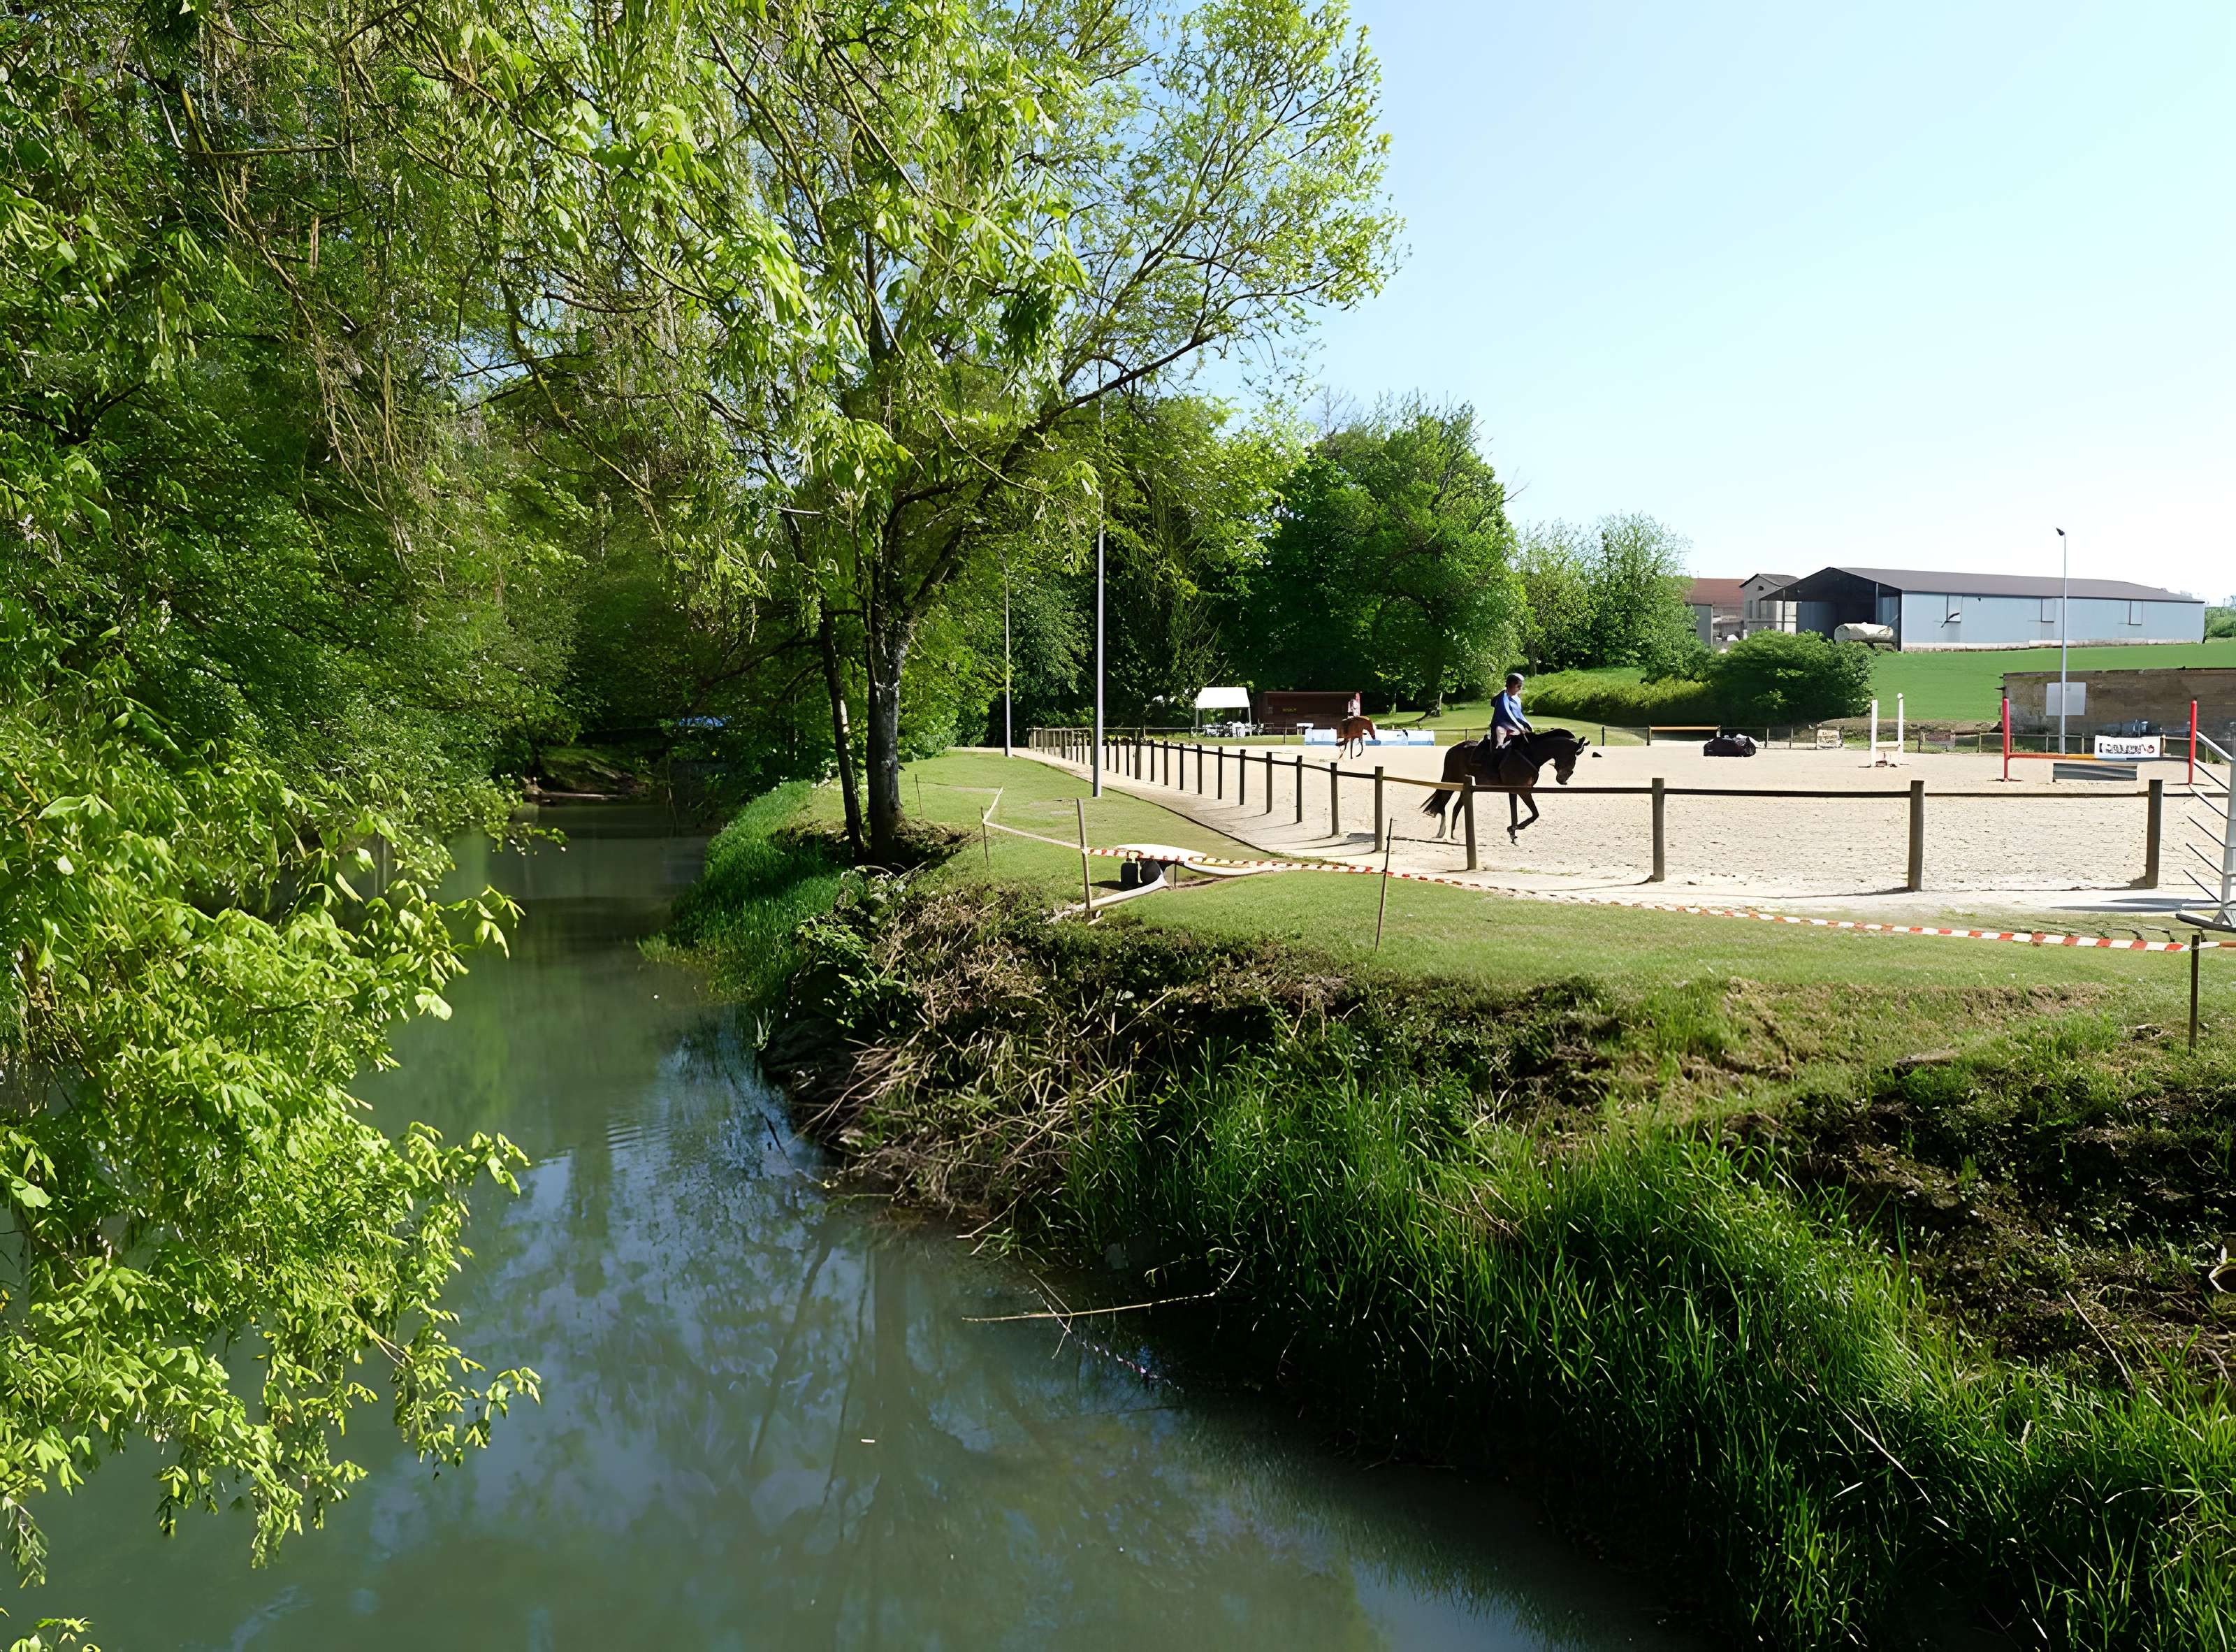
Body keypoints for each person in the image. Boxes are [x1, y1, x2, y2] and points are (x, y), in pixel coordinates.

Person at [1490, 672, 1530, 749]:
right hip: (1501, 725)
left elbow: (1520, 715)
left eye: (1521, 686)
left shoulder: (1517, 699)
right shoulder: (1503, 697)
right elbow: (1507, 713)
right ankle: (1498, 751)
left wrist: (1527, 724)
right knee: (1501, 733)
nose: (1520, 689)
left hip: (1512, 726)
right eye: (1518, 686)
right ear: (1510, 685)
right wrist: (1519, 726)